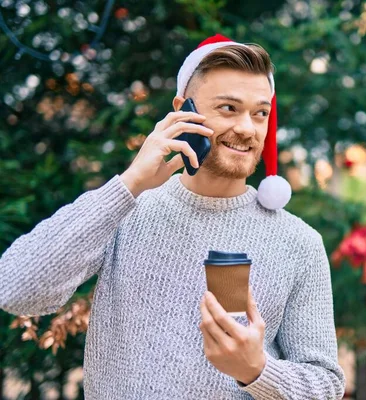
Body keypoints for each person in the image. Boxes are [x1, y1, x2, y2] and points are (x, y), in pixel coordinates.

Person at [0, 34, 345, 399]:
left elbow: (325, 384)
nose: (247, 128)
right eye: (228, 108)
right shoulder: (125, 210)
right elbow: (15, 289)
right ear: (184, 109)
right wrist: (130, 183)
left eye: (260, 113)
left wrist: (256, 370)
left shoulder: (299, 243)